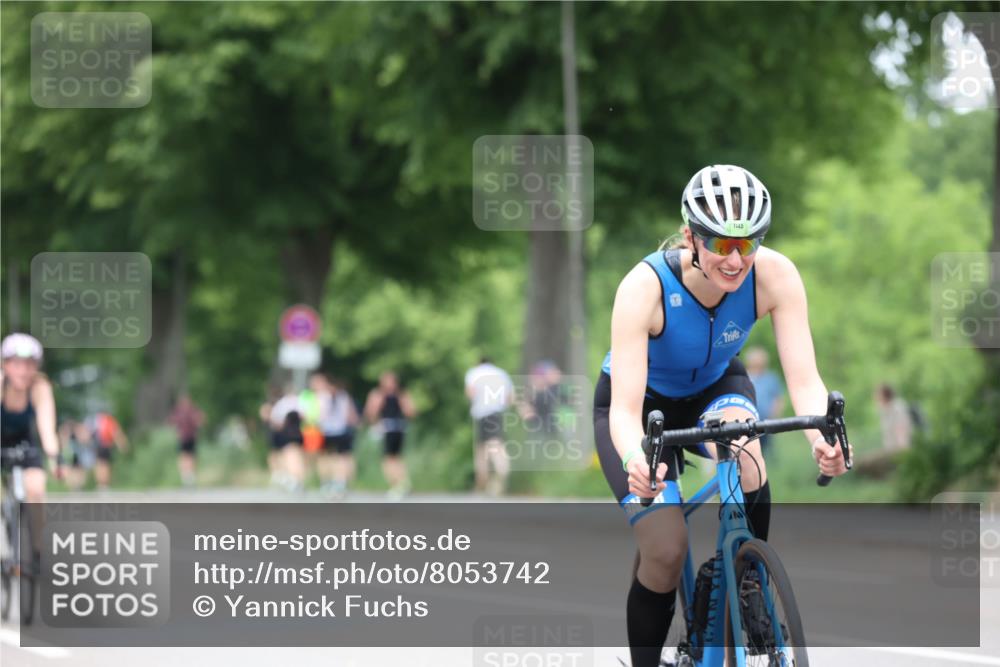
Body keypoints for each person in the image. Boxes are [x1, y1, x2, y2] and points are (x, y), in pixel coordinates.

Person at [593, 165, 852, 666]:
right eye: (719, 244)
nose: (734, 260)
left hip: (715, 384)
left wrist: (823, 436)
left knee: (750, 455)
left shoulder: (776, 274)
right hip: (640, 406)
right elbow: (624, 411)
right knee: (666, 550)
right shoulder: (642, 288)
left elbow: (803, 379)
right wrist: (635, 459)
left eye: (747, 244)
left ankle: (747, 576)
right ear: (691, 235)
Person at [1, 333, 61, 562]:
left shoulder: (39, 387)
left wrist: (54, 458)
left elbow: (47, 428)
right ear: (5, 365)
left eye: (29, 364)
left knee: (36, 488)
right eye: (16, 364)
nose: (23, 371)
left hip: (24, 442)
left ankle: (38, 548)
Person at [465, 357, 514, 496]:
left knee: (485, 449)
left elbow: (470, 393)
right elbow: (509, 398)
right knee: (493, 446)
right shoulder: (502, 374)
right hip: (496, 413)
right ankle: (490, 482)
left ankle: (495, 477)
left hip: (482, 413)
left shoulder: (473, 372)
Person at [364, 371, 416, 500]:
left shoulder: (397, 395)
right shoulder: (386, 395)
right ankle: (402, 483)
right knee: (394, 458)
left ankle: (398, 485)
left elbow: (411, 412)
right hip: (392, 428)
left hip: (394, 429)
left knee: (390, 459)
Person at [316, 375, 360, 498]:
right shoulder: (343, 397)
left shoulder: (324, 397)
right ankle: (333, 481)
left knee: (335, 457)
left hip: (333, 430)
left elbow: (318, 415)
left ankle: (335, 481)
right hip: (333, 430)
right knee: (334, 457)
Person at [744, 347, 786, 456]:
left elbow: (778, 398)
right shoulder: (744, 377)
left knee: (765, 450)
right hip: (747, 422)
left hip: (765, 421)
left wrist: (775, 414)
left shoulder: (771, 378)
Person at [268, 385, 306, 492]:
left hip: (287, 434)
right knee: (298, 457)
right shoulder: (300, 402)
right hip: (299, 433)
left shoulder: (282, 404)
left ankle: (294, 479)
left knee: (290, 457)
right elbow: (305, 416)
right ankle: (299, 479)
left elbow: (275, 420)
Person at [169, 393, 204, 487]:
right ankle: (186, 476)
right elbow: (172, 421)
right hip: (183, 437)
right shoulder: (179, 411)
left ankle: (190, 476)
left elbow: (200, 420)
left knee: (191, 457)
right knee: (184, 457)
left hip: (191, 437)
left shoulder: (192, 410)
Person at [88, 410, 128, 490]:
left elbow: (88, 434)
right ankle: (104, 484)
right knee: (105, 465)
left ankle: (100, 484)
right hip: (106, 445)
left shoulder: (94, 421)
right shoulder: (109, 420)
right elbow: (116, 433)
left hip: (97, 446)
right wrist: (122, 445)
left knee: (99, 464)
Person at [874, 383, 913, 453]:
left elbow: (902, 437)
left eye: (878, 397)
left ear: (885, 396)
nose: (876, 399)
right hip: (893, 453)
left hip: (899, 454)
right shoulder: (886, 412)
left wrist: (903, 454)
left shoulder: (897, 409)